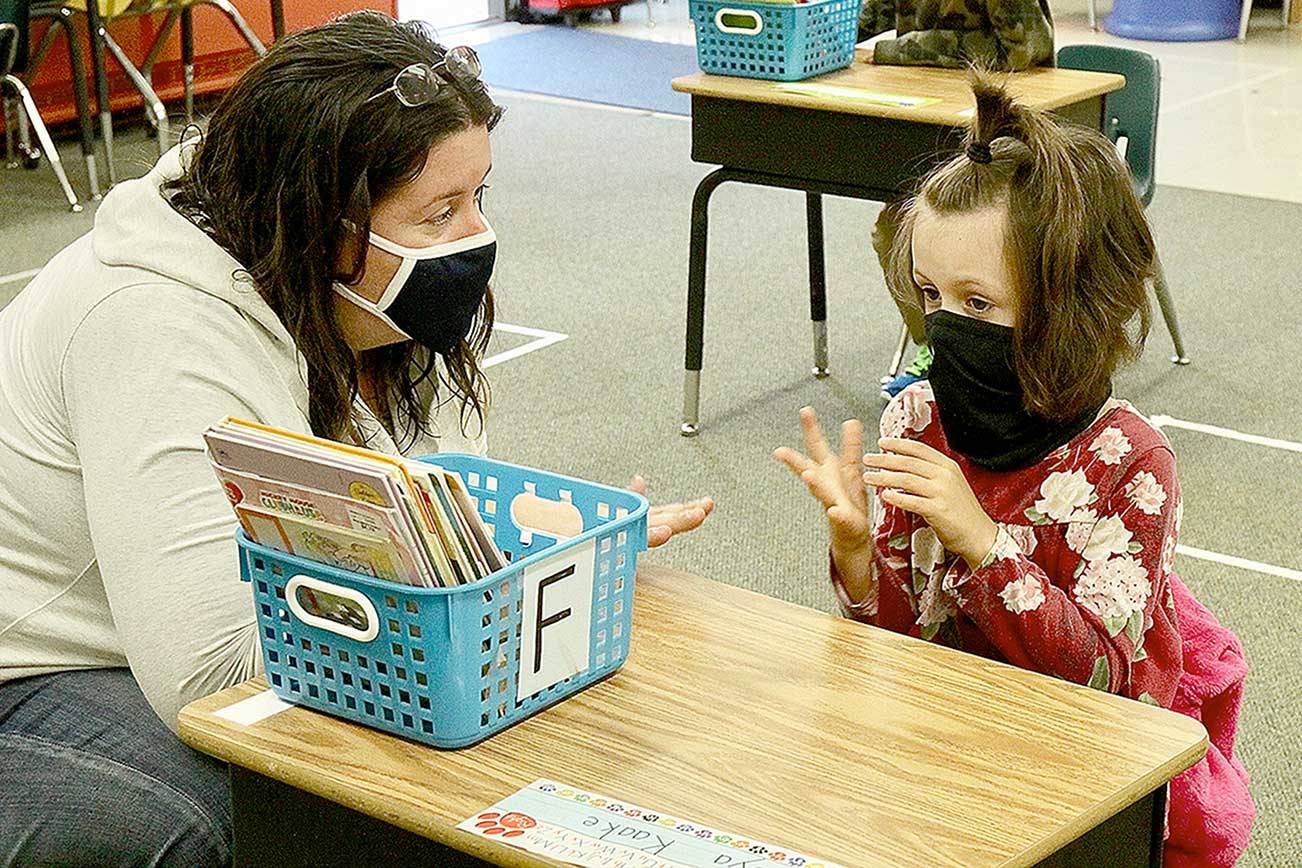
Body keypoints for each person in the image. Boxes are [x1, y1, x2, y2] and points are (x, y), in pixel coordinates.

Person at [0, 13, 711, 865]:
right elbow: (208, 674)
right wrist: (489, 602)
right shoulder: (153, 325)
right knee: (232, 817)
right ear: (321, 221)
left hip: (152, 627)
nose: (474, 237)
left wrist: (550, 555)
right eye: (439, 211)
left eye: (477, 197)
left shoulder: (325, 277)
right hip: (37, 662)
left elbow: (430, 492)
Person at [775, 74, 1254, 867]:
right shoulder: (919, 418)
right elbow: (899, 643)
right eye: (931, 295)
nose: (946, 326)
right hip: (952, 744)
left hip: (1087, 766)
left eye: (980, 303)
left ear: (1067, 304)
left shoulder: (1130, 464)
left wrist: (983, 540)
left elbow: (1106, 683)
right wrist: (860, 550)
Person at [857, 0, 1056, 398]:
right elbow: (855, 26)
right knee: (895, 230)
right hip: (929, 118)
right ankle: (941, 349)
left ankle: (1014, 357)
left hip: (1013, 138)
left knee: (990, 243)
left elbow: (1023, 50)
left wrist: (900, 50)